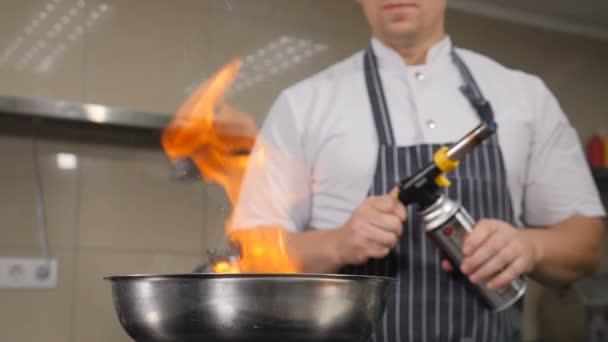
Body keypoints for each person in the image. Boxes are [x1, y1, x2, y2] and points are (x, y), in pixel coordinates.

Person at [232, 0, 606, 341]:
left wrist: (531, 246)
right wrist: (337, 242)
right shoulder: (304, 105)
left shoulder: (524, 97)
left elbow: (586, 242)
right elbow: (251, 255)